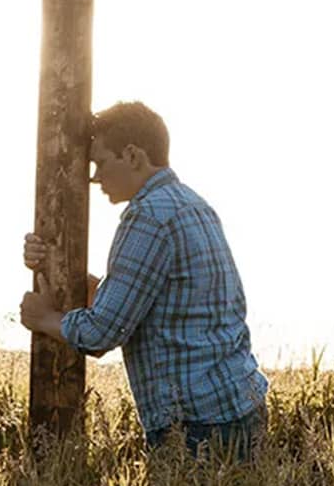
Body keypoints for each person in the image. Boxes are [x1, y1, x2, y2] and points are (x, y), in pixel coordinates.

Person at [18, 100, 269, 460]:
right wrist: (58, 266)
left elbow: (101, 333)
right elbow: (154, 301)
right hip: (239, 404)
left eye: (101, 162)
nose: (94, 177)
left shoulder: (148, 217)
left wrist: (43, 319)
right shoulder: (190, 204)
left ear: (133, 156)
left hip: (199, 426)